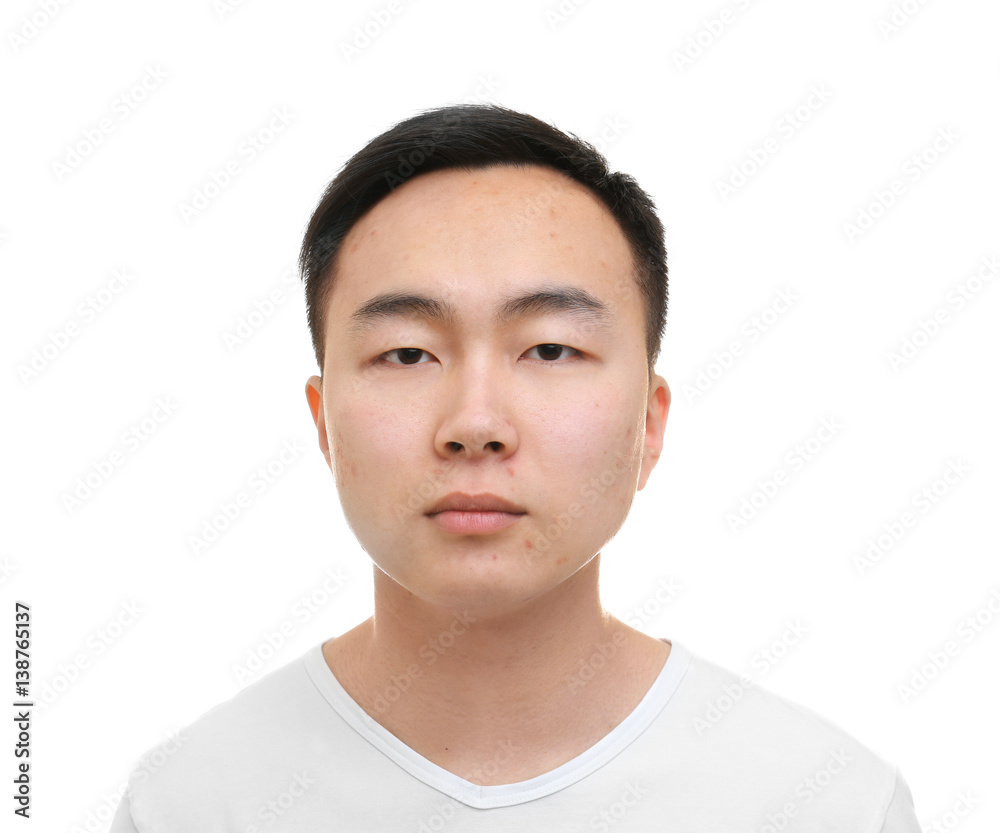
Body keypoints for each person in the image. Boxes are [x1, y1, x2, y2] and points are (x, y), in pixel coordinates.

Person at [110, 104, 921, 830]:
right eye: (407, 353)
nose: (475, 424)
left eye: (550, 349)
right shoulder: (192, 803)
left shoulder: (826, 802)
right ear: (324, 423)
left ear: (649, 423)